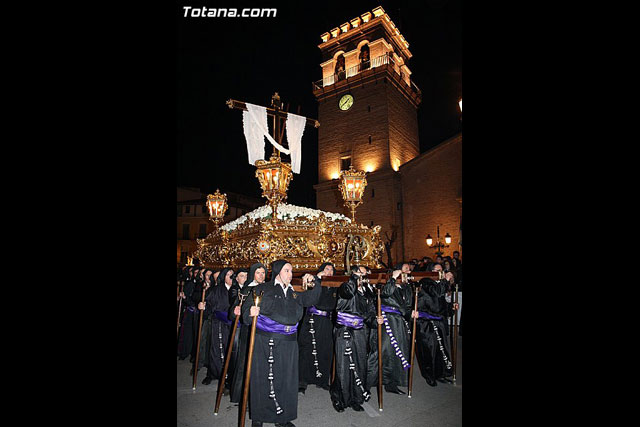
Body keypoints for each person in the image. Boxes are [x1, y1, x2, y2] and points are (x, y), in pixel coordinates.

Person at [243, 260, 321, 427]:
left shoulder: (294, 293)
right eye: (287, 271)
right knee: (262, 379)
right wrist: (250, 312)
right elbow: (245, 314)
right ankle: (259, 417)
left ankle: (282, 418)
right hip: (266, 341)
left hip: (289, 343)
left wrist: (314, 281)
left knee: (287, 380)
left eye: (291, 271)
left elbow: (310, 299)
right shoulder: (262, 289)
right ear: (278, 272)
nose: (290, 274)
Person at [330, 265, 374, 413]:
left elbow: (369, 312)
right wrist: (354, 278)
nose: (363, 275)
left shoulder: (366, 291)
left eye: (364, 273)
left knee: (359, 363)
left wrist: (375, 320)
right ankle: (340, 398)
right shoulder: (345, 287)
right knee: (343, 366)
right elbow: (348, 293)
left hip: (360, 331)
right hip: (344, 330)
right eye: (359, 273)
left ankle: (356, 398)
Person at [366, 263, 413, 395]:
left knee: (397, 353)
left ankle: (391, 383)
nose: (408, 270)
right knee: (381, 352)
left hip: (399, 323)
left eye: (409, 268)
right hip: (387, 321)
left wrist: (411, 314)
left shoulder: (407, 287)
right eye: (405, 268)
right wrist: (392, 278)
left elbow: (407, 306)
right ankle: (366, 385)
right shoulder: (386, 284)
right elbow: (385, 294)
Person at [412, 263, 457, 386]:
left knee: (441, 350)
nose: (440, 273)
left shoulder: (440, 284)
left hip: (438, 321)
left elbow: (440, 304)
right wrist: (446, 280)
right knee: (429, 350)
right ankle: (429, 375)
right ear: (430, 271)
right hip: (426, 323)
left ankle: (440, 373)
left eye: (441, 270)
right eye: (437, 270)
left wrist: (451, 308)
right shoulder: (426, 281)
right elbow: (436, 293)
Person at [229, 263, 267, 404]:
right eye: (258, 272)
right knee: (245, 362)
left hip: (264, 331)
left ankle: (259, 396)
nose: (261, 275)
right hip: (248, 331)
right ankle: (241, 395)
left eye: (263, 272)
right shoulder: (246, 290)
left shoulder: (268, 288)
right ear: (253, 274)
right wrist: (235, 311)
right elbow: (233, 313)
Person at [298, 262, 337, 394]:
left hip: (326, 322)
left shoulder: (334, 287)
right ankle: (302, 381)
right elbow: (310, 299)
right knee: (307, 349)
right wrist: (318, 280)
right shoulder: (314, 282)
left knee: (325, 349)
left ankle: (322, 380)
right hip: (312, 320)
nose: (329, 272)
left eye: (332, 270)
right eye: (327, 269)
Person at [204, 267, 235, 385]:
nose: (231, 277)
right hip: (218, 323)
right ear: (223, 277)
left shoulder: (236, 290)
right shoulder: (216, 290)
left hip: (232, 324)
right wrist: (204, 306)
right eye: (228, 275)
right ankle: (213, 373)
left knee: (230, 349)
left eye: (233, 275)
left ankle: (228, 375)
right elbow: (208, 306)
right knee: (216, 348)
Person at [192, 268, 215, 382]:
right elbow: (195, 297)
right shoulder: (200, 286)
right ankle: (198, 363)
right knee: (202, 340)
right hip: (203, 317)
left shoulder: (215, 287)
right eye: (207, 275)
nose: (208, 278)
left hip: (213, 319)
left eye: (211, 275)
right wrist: (200, 300)